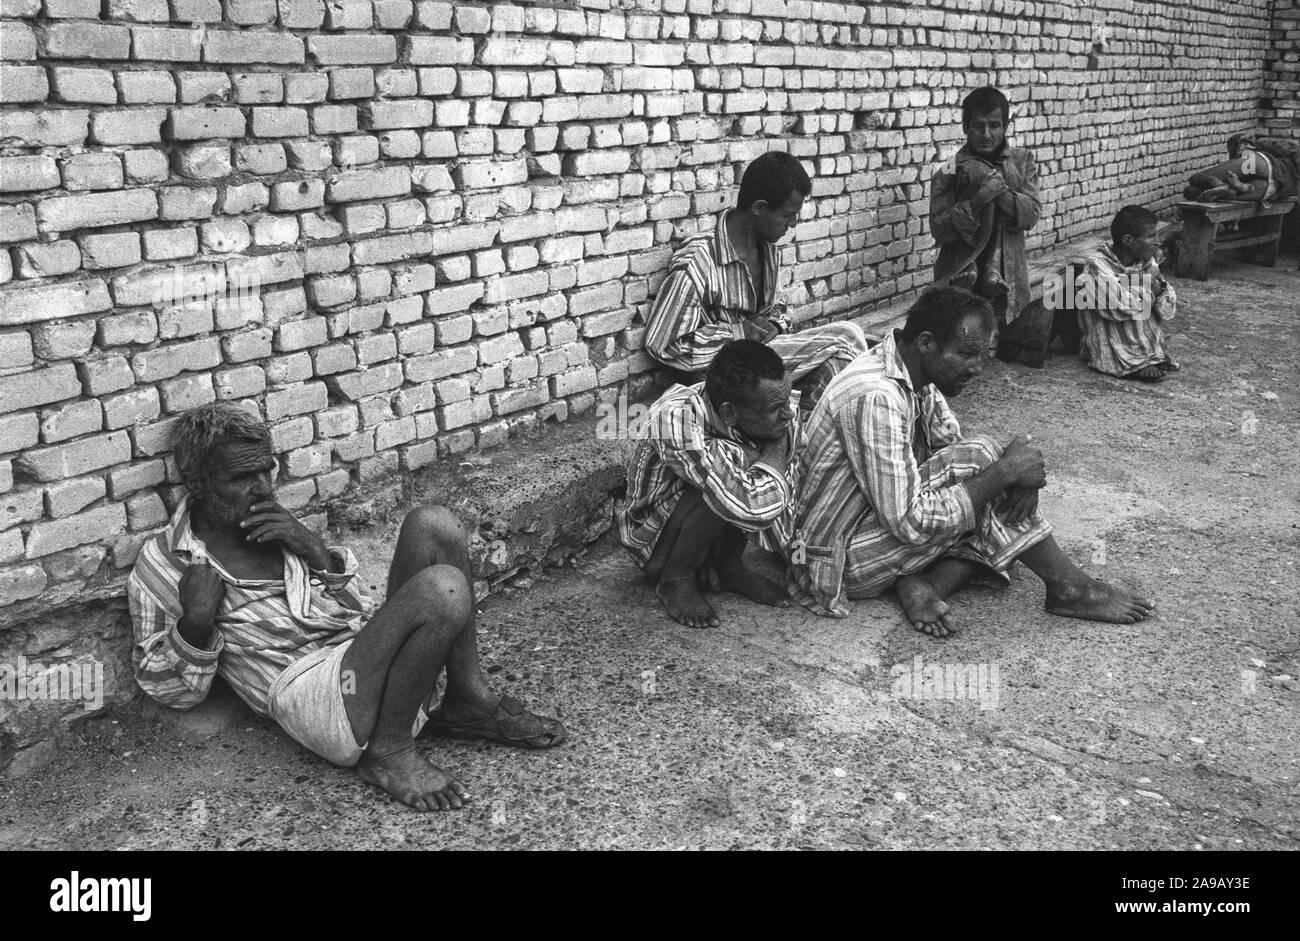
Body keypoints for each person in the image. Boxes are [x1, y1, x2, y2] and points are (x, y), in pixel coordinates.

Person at [127, 403, 564, 812]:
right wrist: (196, 623)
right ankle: (389, 751)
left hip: (362, 669)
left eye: (268, 469)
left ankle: (466, 698)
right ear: (200, 482)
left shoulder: (276, 527)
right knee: (441, 590)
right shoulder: (166, 562)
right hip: (316, 701)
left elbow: (363, 612)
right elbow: (168, 691)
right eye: (242, 478)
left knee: (435, 525)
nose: (263, 488)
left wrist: (314, 550)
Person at [788, 286, 1155, 635]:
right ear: (926, 343)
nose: (977, 367)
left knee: (988, 483)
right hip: (830, 562)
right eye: (966, 354)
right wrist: (1006, 472)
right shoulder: (876, 396)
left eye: (982, 354)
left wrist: (1010, 478)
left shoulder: (913, 375)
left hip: (864, 528)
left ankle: (928, 583)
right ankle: (1070, 587)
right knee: (988, 478)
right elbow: (909, 522)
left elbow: (952, 450)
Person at [644, 151, 869, 405]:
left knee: (836, 367)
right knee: (848, 336)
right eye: (787, 215)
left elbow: (778, 308)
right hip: (725, 375)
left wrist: (776, 324)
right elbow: (662, 343)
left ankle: (800, 438)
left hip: (762, 362)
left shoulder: (767, 248)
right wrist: (737, 334)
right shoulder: (699, 260)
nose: (792, 224)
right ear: (759, 208)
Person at [617, 340, 798, 628]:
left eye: (787, 401)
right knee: (732, 473)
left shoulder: (766, 408)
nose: (788, 414)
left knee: (741, 465)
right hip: (653, 542)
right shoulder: (676, 419)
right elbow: (751, 504)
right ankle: (675, 578)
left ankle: (729, 567)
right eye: (777, 408)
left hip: (711, 523)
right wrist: (776, 445)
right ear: (729, 413)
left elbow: (778, 503)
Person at [930, 86, 1041, 360]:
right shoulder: (950, 169)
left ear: (1006, 126)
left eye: (995, 125)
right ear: (966, 126)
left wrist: (999, 191)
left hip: (1009, 272)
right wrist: (978, 199)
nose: (987, 134)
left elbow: (1031, 215)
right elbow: (939, 227)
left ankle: (993, 273)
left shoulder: (1023, 161)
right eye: (978, 126)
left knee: (1012, 357)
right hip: (960, 271)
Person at [1075, 205, 1179, 382]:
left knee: (1141, 299)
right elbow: (1119, 308)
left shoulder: (1145, 261)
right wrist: (1147, 284)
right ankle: (1134, 361)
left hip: (1145, 339)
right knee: (1124, 304)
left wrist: (1156, 289)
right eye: (1151, 236)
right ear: (1128, 240)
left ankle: (1147, 356)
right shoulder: (1097, 265)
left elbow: (1167, 310)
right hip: (1110, 337)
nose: (1158, 242)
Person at [1184, 133, 1300, 205]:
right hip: (1272, 189)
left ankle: (1219, 184)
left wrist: (1256, 144)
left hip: (1266, 164)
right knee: (1192, 192)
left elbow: (1285, 147)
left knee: (1194, 180)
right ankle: (1230, 189)